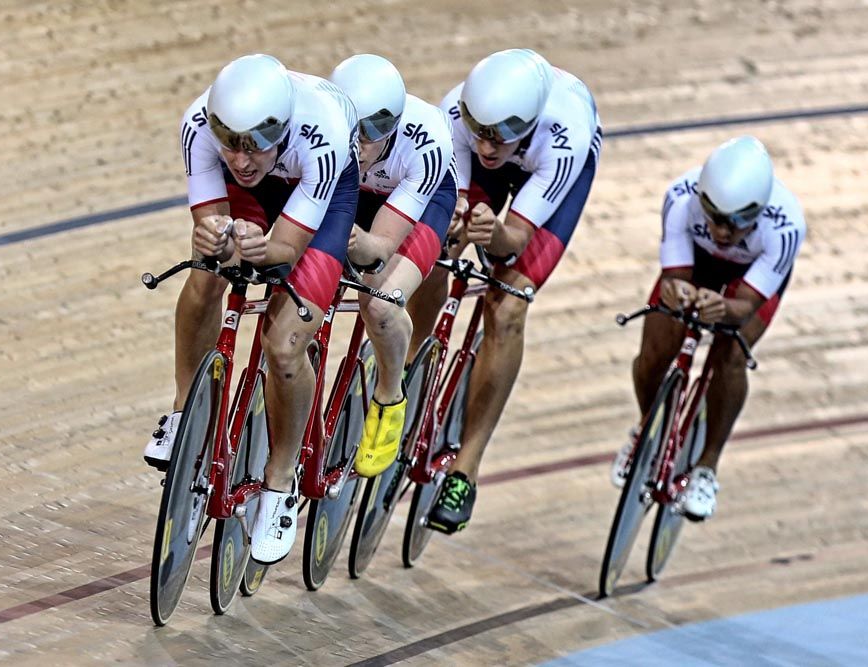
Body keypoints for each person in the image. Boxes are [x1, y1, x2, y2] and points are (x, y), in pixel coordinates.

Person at [142, 54, 359, 564]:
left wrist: (261, 247)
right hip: (259, 197)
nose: (241, 158)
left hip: (319, 197)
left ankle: (280, 483)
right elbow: (214, 223)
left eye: (255, 144)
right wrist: (217, 238)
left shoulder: (320, 133)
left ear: (281, 129)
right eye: (231, 144)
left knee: (284, 345)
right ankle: (183, 413)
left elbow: (284, 249)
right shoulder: (197, 126)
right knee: (204, 277)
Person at [409, 49, 603, 534]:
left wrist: (490, 231)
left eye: (499, 135)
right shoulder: (455, 116)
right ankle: (411, 362)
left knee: (509, 304)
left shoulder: (564, 134)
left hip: (552, 173)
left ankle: (465, 470)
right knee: (431, 248)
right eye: (479, 130)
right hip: (492, 170)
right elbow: (448, 202)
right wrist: (457, 220)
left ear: (530, 121)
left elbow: (513, 239)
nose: (487, 145)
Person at [611, 135, 806, 521]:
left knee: (731, 356)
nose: (722, 230)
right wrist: (680, 292)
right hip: (697, 264)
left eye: (737, 223)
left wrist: (725, 309)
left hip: (747, 280)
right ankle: (646, 430)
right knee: (655, 349)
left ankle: (706, 466)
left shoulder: (785, 228)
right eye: (714, 216)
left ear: (760, 211)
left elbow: (746, 307)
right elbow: (675, 277)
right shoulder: (680, 198)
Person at [327, 54, 458, 478]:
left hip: (418, 203)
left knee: (381, 302)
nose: (359, 144)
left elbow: (380, 248)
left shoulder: (427, 141)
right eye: (352, 130)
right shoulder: (321, 130)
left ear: (395, 128)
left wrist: (360, 244)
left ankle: (389, 395)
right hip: (358, 192)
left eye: (374, 133)